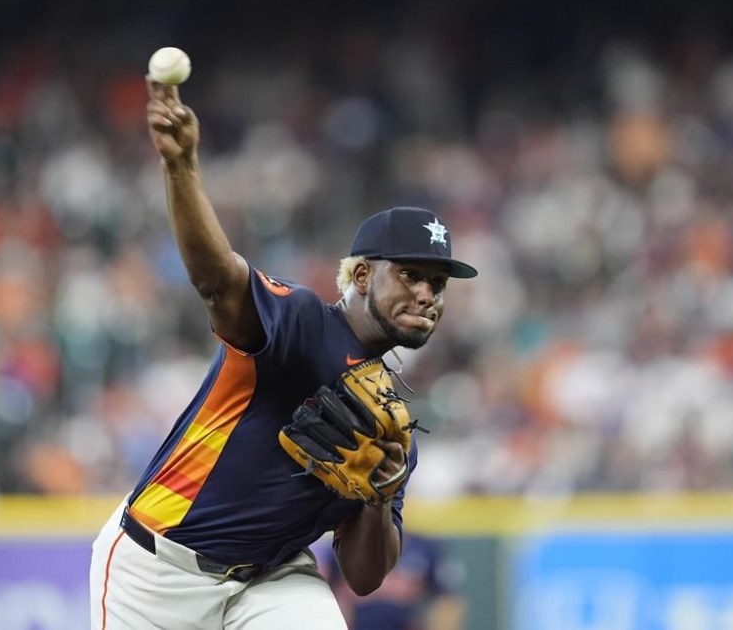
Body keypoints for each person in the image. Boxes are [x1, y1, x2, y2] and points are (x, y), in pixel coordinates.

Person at [89, 76, 478, 630]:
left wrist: (378, 495)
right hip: (158, 567)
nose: (427, 293)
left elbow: (365, 576)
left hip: (272, 580)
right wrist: (181, 168)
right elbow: (217, 281)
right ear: (362, 274)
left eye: (437, 284)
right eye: (411, 274)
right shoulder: (299, 322)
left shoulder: (392, 428)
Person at [315, 531, 467, 630]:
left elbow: (447, 600)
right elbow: (329, 595)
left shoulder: (424, 548)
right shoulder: (343, 546)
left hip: (406, 622)